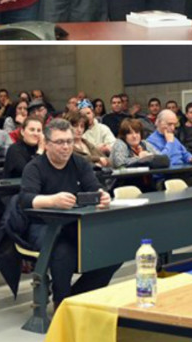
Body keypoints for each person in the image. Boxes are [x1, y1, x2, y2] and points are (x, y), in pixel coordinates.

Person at [17, 119, 118, 308]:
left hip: (74, 224)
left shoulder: (79, 163)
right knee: (63, 252)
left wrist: (102, 196)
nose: (66, 147)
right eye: (60, 142)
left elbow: (95, 188)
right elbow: (25, 199)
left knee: (113, 250)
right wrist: (52, 200)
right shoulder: (35, 167)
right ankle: (61, 303)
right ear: (46, 144)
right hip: (42, 225)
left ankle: (75, 298)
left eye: (69, 141)